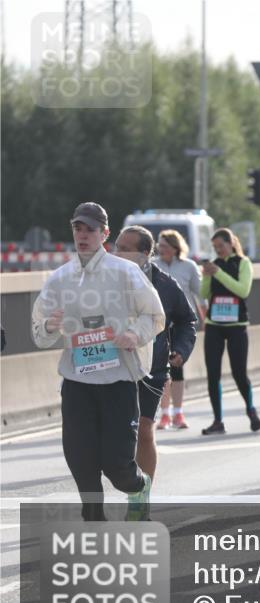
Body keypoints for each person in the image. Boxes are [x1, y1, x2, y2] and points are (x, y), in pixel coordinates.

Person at [31, 202, 164, 521]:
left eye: (90, 229)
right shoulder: (60, 278)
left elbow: (154, 315)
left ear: (105, 233)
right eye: (78, 228)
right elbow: (38, 331)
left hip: (118, 381)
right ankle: (95, 524)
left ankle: (139, 485)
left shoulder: (126, 272)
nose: (83, 235)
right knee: (81, 461)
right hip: (77, 383)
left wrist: (134, 334)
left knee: (118, 468)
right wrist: (50, 326)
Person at [114, 225, 196, 518]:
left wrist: (181, 351)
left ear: (145, 254)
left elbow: (187, 322)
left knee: (144, 430)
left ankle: (139, 497)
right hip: (110, 366)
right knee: (113, 436)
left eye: (125, 248)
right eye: (117, 246)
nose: (117, 252)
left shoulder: (165, 284)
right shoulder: (101, 280)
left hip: (152, 368)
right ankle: (128, 482)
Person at [199, 228, 260, 434]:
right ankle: (218, 420)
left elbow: (242, 290)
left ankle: (250, 409)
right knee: (213, 374)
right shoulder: (215, 265)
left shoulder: (243, 263)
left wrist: (219, 274)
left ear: (231, 243)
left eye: (221, 246)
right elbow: (204, 293)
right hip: (215, 324)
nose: (218, 251)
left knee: (239, 373)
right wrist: (207, 276)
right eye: (215, 248)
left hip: (237, 326)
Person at [153, 229, 203, 430]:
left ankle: (178, 413)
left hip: (180, 325)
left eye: (165, 246)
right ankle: (164, 414)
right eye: (159, 246)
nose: (161, 249)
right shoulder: (153, 266)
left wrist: (204, 315)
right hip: (159, 326)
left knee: (177, 369)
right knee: (162, 370)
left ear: (175, 248)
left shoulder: (188, 266)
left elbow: (200, 292)